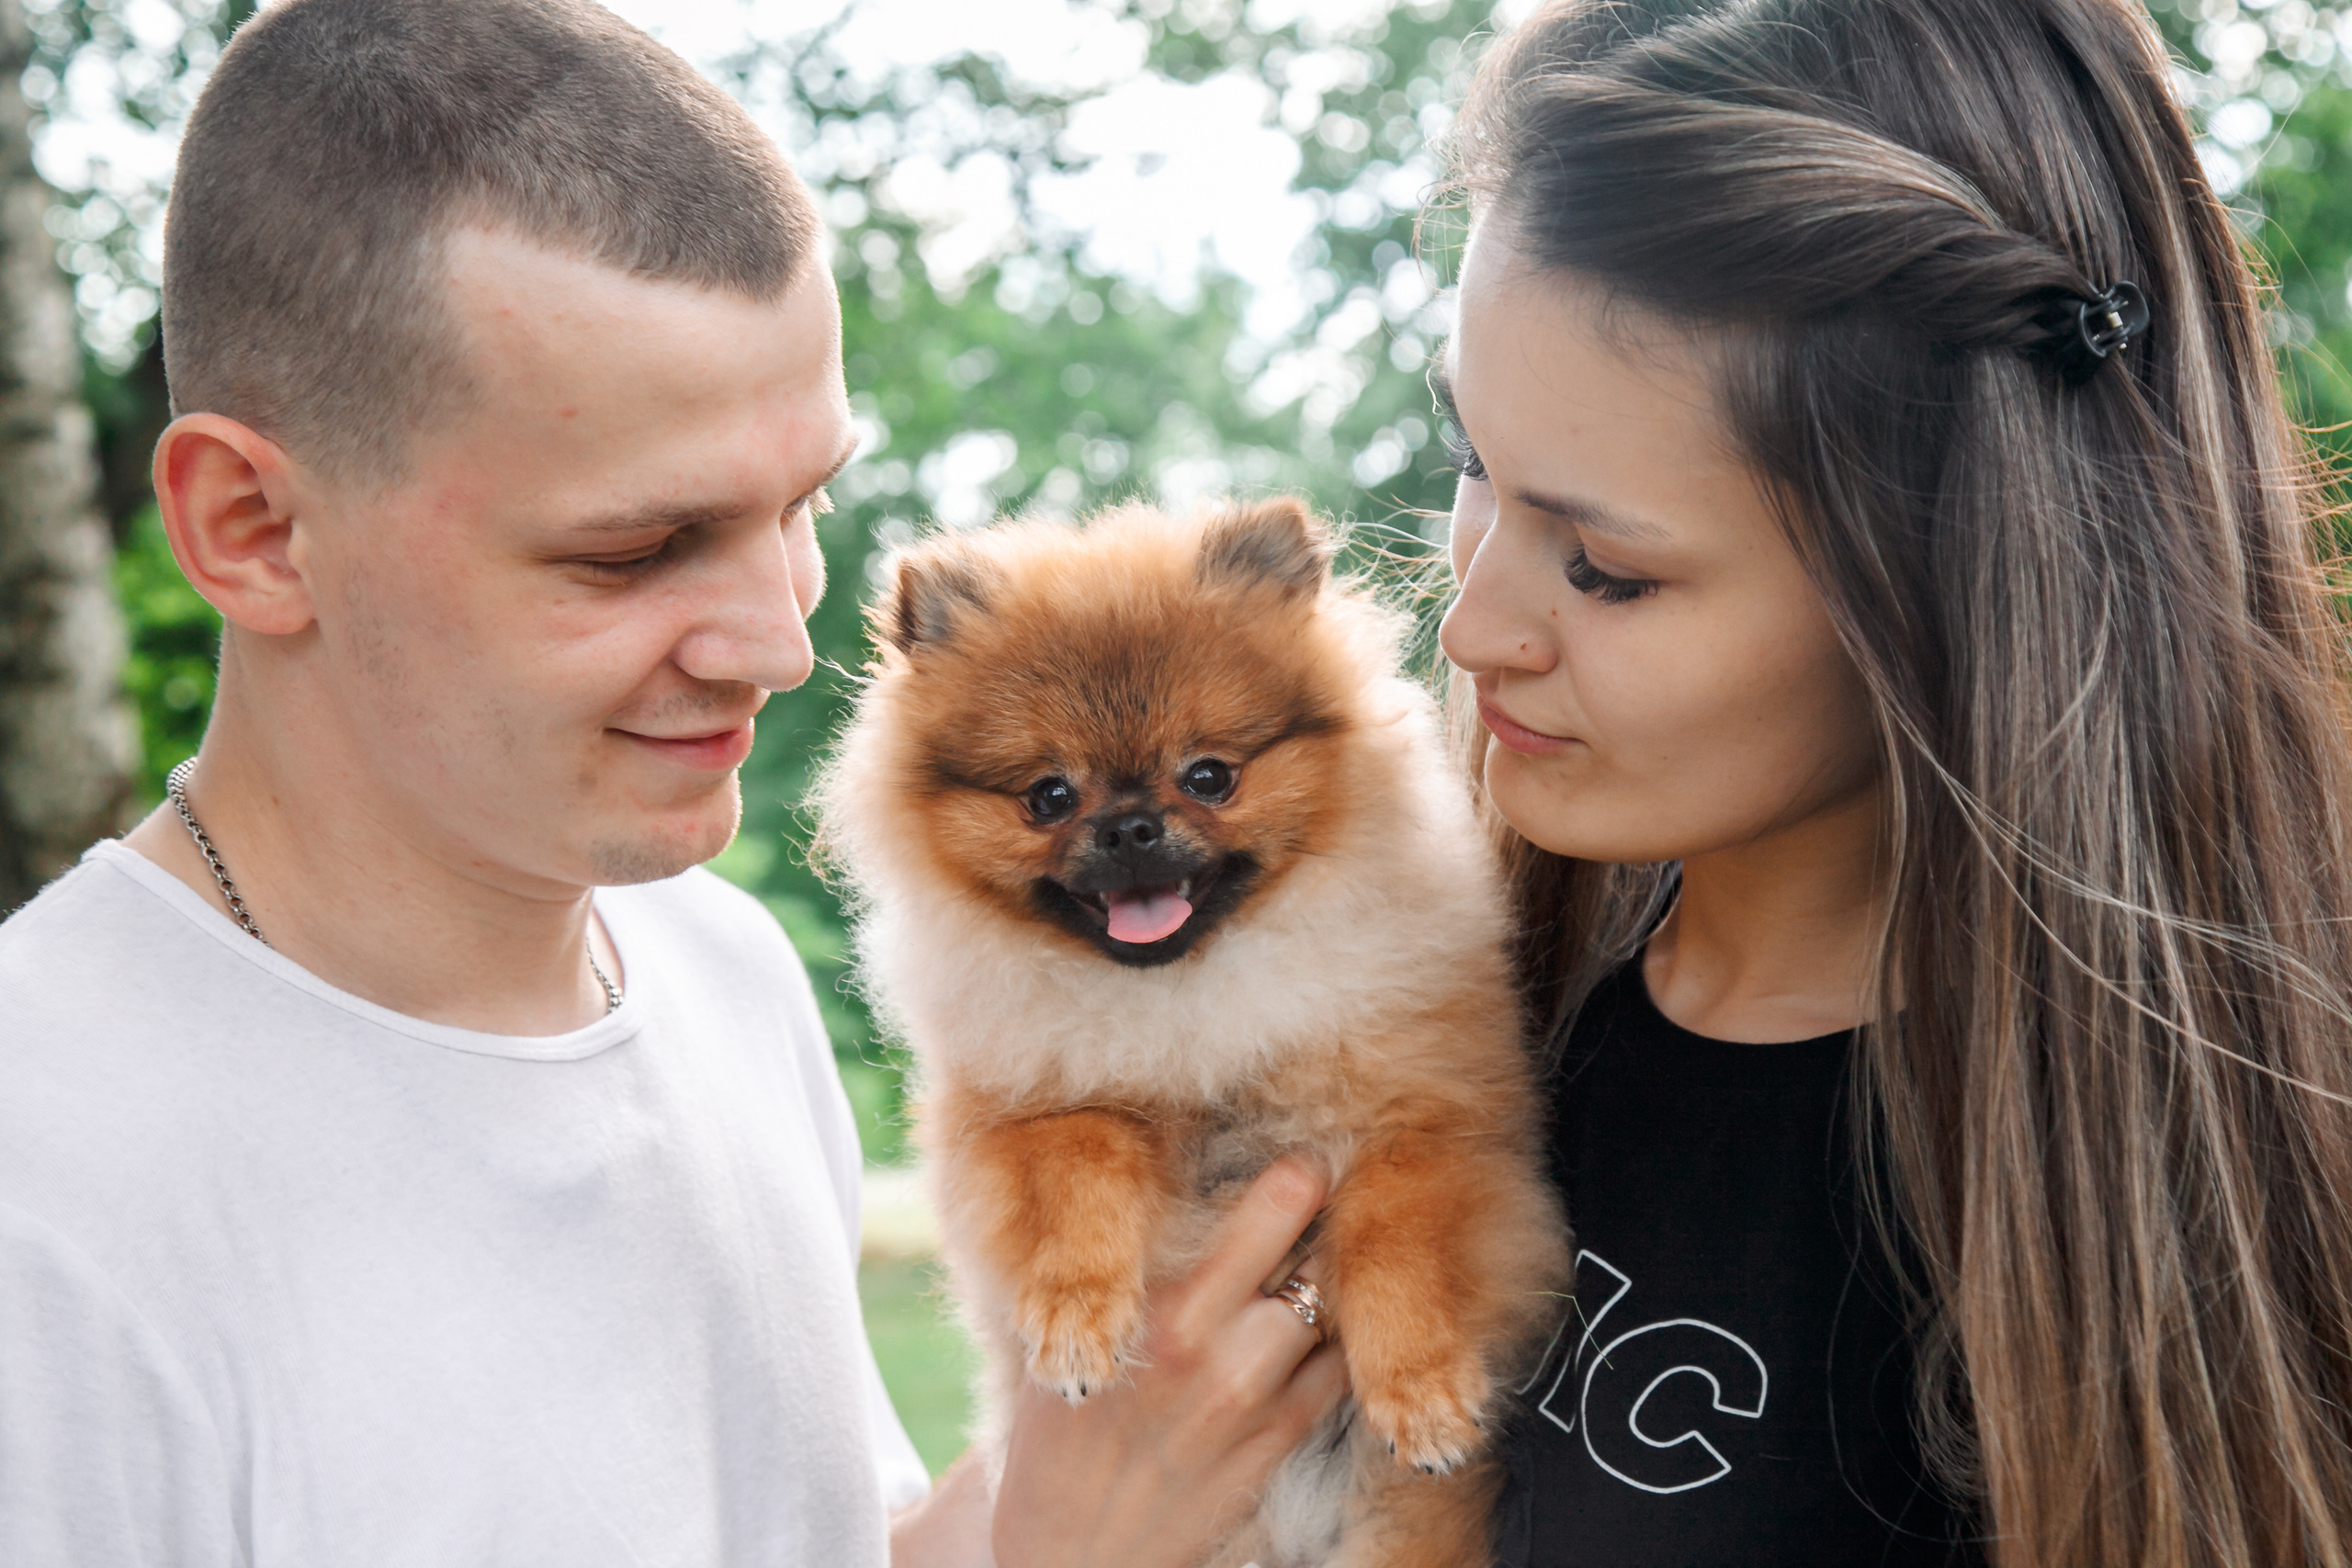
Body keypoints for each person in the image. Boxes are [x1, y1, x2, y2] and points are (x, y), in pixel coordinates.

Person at [0, 2, 1341, 1563]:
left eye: (803, 506)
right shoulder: (48, 1180)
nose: (783, 643)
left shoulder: (723, 971)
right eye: (637, 549)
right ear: (250, 528)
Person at [1433, 0, 2352, 1563]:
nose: (1469, 625)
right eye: (1464, 460)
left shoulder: (2218, 1213)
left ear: (1947, 575)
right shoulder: (1422, 1018)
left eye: (1604, 569)